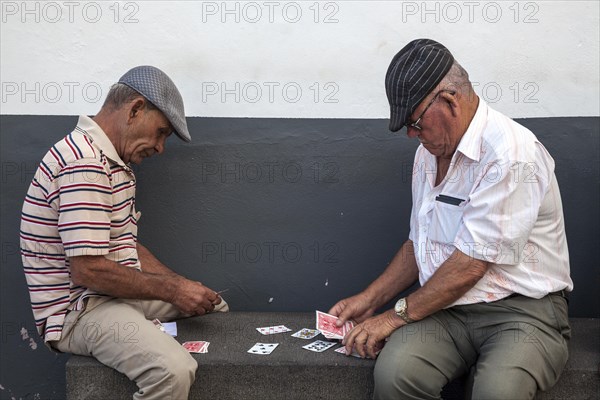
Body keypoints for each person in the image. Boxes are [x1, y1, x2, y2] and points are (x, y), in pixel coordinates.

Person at [329, 39, 573, 400]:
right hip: (447, 309)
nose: (412, 134)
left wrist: (393, 316)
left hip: (522, 311)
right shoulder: (427, 154)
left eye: (415, 121)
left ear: (449, 100)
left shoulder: (510, 152)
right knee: (396, 376)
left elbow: (470, 266)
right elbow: (420, 243)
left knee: (497, 392)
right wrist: (370, 298)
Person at [20, 65, 228, 400]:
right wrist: (173, 291)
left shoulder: (112, 161)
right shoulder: (84, 162)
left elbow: (125, 245)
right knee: (173, 372)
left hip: (111, 297)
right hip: (80, 312)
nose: (160, 147)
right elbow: (88, 269)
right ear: (134, 109)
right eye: (160, 132)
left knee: (214, 309)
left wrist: (184, 288)